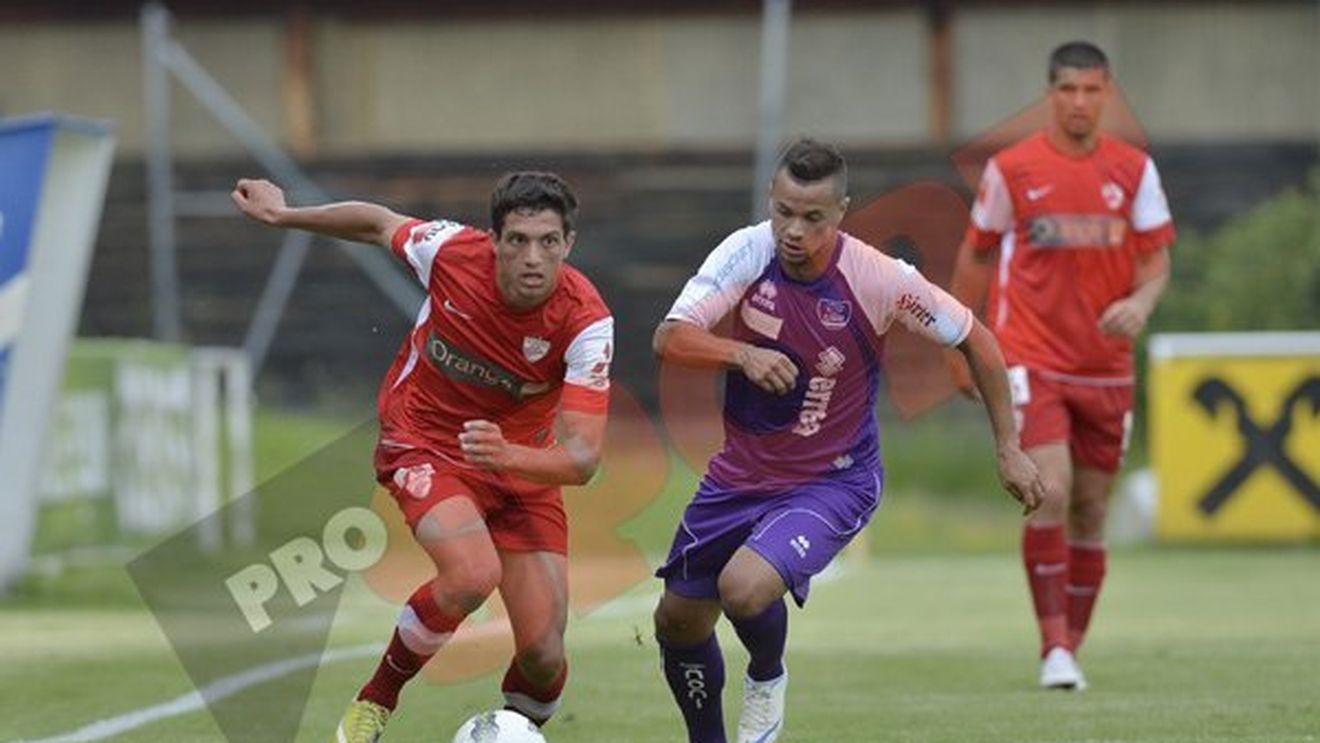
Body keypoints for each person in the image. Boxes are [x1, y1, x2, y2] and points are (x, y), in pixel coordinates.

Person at [651, 138, 1044, 743]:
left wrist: (1008, 446)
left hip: (832, 480)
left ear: (841, 213)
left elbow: (977, 339)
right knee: (677, 621)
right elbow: (671, 337)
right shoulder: (747, 251)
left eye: (813, 217)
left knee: (743, 588)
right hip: (739, 474)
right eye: (784, 211)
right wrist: (742, 354)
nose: (793, 229)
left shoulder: (880, 279)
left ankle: (766, 676)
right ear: (771, 202)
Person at [231, 171, 614, 742]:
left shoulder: (586, 321)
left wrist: (506, 454)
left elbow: (582, 460)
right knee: (471, 575)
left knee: (543, 653)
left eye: (548, 242)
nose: (533, 257)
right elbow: (377, 222)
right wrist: (286, 216)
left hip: (520, 470)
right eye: (517, 240)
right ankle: (375, 702)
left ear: (569, 244)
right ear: (494, 239)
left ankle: (513, 731)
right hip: (425, 442)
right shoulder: (452, 253)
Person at [946, 41, 1176, 691]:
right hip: (1032, 355)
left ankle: (1068, 645)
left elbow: (1156, 262)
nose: (1079, 102)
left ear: (1107, 94)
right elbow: (975, 255)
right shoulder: (1012, 170)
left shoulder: (1134, 171)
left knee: (1093, 510)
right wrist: (960, 345)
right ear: (1051, 94)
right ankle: (1052, 646)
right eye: (1068, 90)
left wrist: (1140, 300)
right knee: (1053, 488)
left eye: (1092, 90)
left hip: (1106, 367)